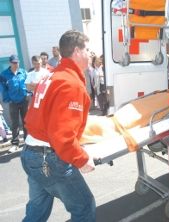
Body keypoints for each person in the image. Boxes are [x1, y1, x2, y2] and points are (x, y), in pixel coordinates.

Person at [20, 30, 96, 222]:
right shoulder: (70, 83)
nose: (90, 54)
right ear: (77, 51)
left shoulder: (51, 76)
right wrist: (81, 159)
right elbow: (61, 134)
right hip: (49, 159)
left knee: (37, 212)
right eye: (87, 49)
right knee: (84, 208)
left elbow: (37, 117)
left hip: (31, 153)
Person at [0, 54, 28, 153]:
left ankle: (27, 142)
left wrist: (28, 93)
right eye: (14, 63)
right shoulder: (4, 74)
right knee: (15, 123)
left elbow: (29, 83)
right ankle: (15, 143)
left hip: (24, 100)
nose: (16, 64)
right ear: (10, 63)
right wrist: (7, 98)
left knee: (26, 122)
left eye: (17, 62)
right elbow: (2, 87)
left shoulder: (23, 72)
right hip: (13, 102)